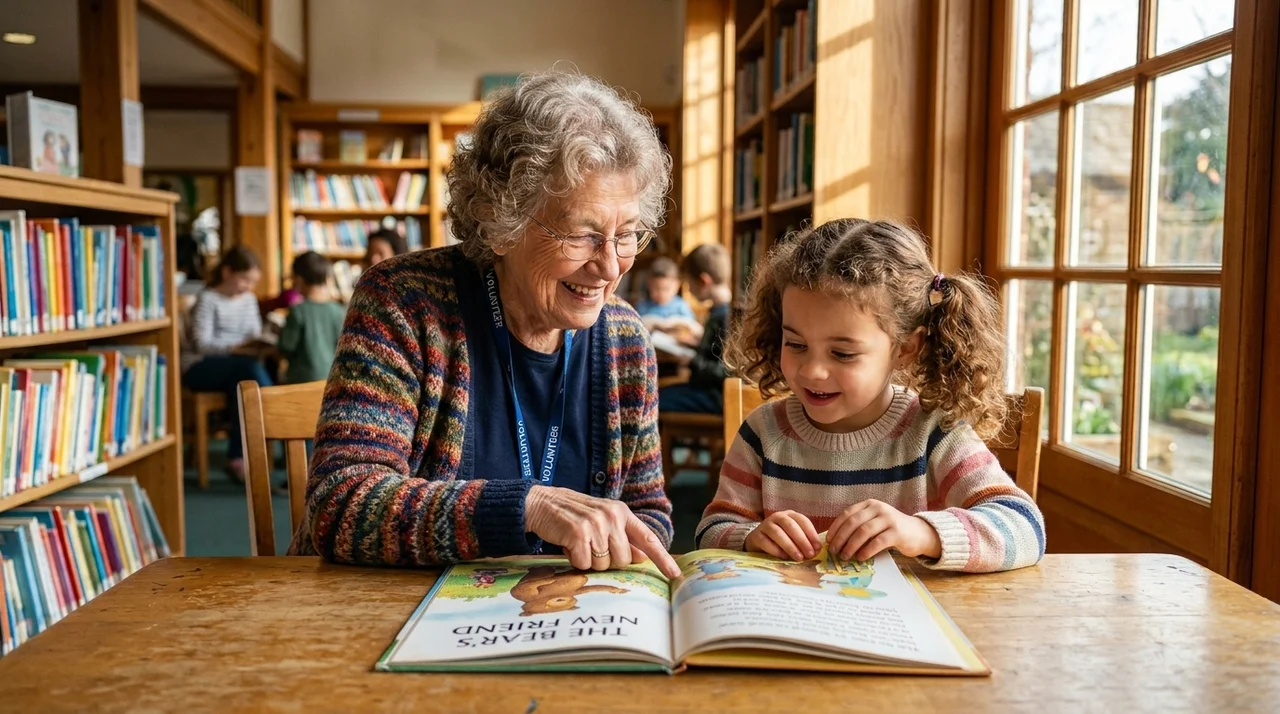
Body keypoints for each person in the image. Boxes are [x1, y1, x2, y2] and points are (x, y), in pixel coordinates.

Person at [287, 70, 681, 579]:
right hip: (394, 621)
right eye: (581, 235)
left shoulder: (624, 338)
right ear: (501, 221)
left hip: (562, 618)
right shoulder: (405, 303)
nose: (610, 267)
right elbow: (339, 504)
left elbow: (647, 513)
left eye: (627, 235)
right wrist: (526, 508)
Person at [696, 219, 1045, 573]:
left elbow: (1026, 528)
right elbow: (712, 531)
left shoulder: (934, 433)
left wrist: (921, 532)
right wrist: (751, 536)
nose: (812, 371)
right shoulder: (763, 432)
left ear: (905, 348)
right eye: (796, 344)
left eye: (843, 354)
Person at [182, 246, 274, 482]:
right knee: (249, 373)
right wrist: (236, 348)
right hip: (201, 365)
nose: (248, 287)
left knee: (247, 380)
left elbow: (254, 333)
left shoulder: (249, 300)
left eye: (253, 282)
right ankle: (273, 420)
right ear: (227, 272)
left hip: (236, 366)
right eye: (244, 279)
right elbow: (202, 343)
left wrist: (257, 344)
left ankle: (238, 457)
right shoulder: (207, 298)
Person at [657, 243, 733, 414]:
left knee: (652, 400)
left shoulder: (727, 317)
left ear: (704, 281)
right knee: (656, 394)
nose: (689, 290)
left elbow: (726, 372)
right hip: (710, 392)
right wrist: (692, 346)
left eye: (689, 283)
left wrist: (689, 361)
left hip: (717, 397)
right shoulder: (718, 312)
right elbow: (714, 354)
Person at [277, 252, 347, 385]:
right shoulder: (338, 311)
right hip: (332, 381)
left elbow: (286, 347)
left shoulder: (298, 311)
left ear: (299, 279)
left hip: (302, 381)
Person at [633, 256, 700, 338]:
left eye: (666, 289)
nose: (661, 293)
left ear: (677, 285)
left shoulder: (681, 306)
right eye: (656, 288)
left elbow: (692, 327)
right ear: (648, 284)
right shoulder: (642, 306)